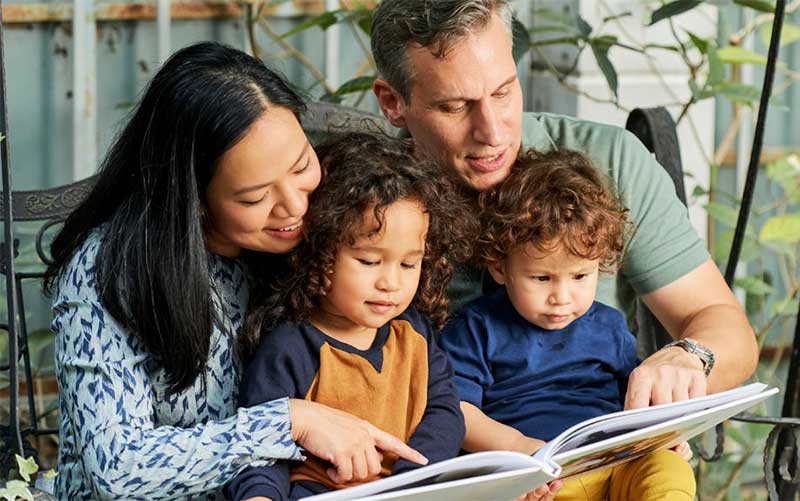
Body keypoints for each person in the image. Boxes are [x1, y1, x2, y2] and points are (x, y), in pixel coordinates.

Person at [43, 43, 426, 500]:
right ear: (194, 200)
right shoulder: (105, 271)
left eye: (302, 165)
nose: (295, 206)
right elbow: (118, 468)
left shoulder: (311, 235)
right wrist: (290, 422)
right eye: (253, 197)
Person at [370, 0, 758, 410]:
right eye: (455, 107)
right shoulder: (364, 198)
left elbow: (727, 328)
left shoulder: (609, 161)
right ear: (393, 102)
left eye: (503, 92)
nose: (492, 131)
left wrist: (689, 359)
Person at [439, 150, 696, 501]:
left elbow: (637, 400)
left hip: (616, 461)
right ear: (500, 267)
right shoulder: (476, 328)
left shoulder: (608, 325)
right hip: (538, 476)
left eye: (580, 276)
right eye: (542, 278)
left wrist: (663, 434)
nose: (562, 296)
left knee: (670, 472)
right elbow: (456, 409)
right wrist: (517, 448)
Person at [227, 131, 472, 501]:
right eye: (369, 261)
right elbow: (262, 450)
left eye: (409, 263)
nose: (391, 282)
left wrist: (409, 482)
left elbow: (443, 413)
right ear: (319, 251)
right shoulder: (291, 347)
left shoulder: (415, 332)